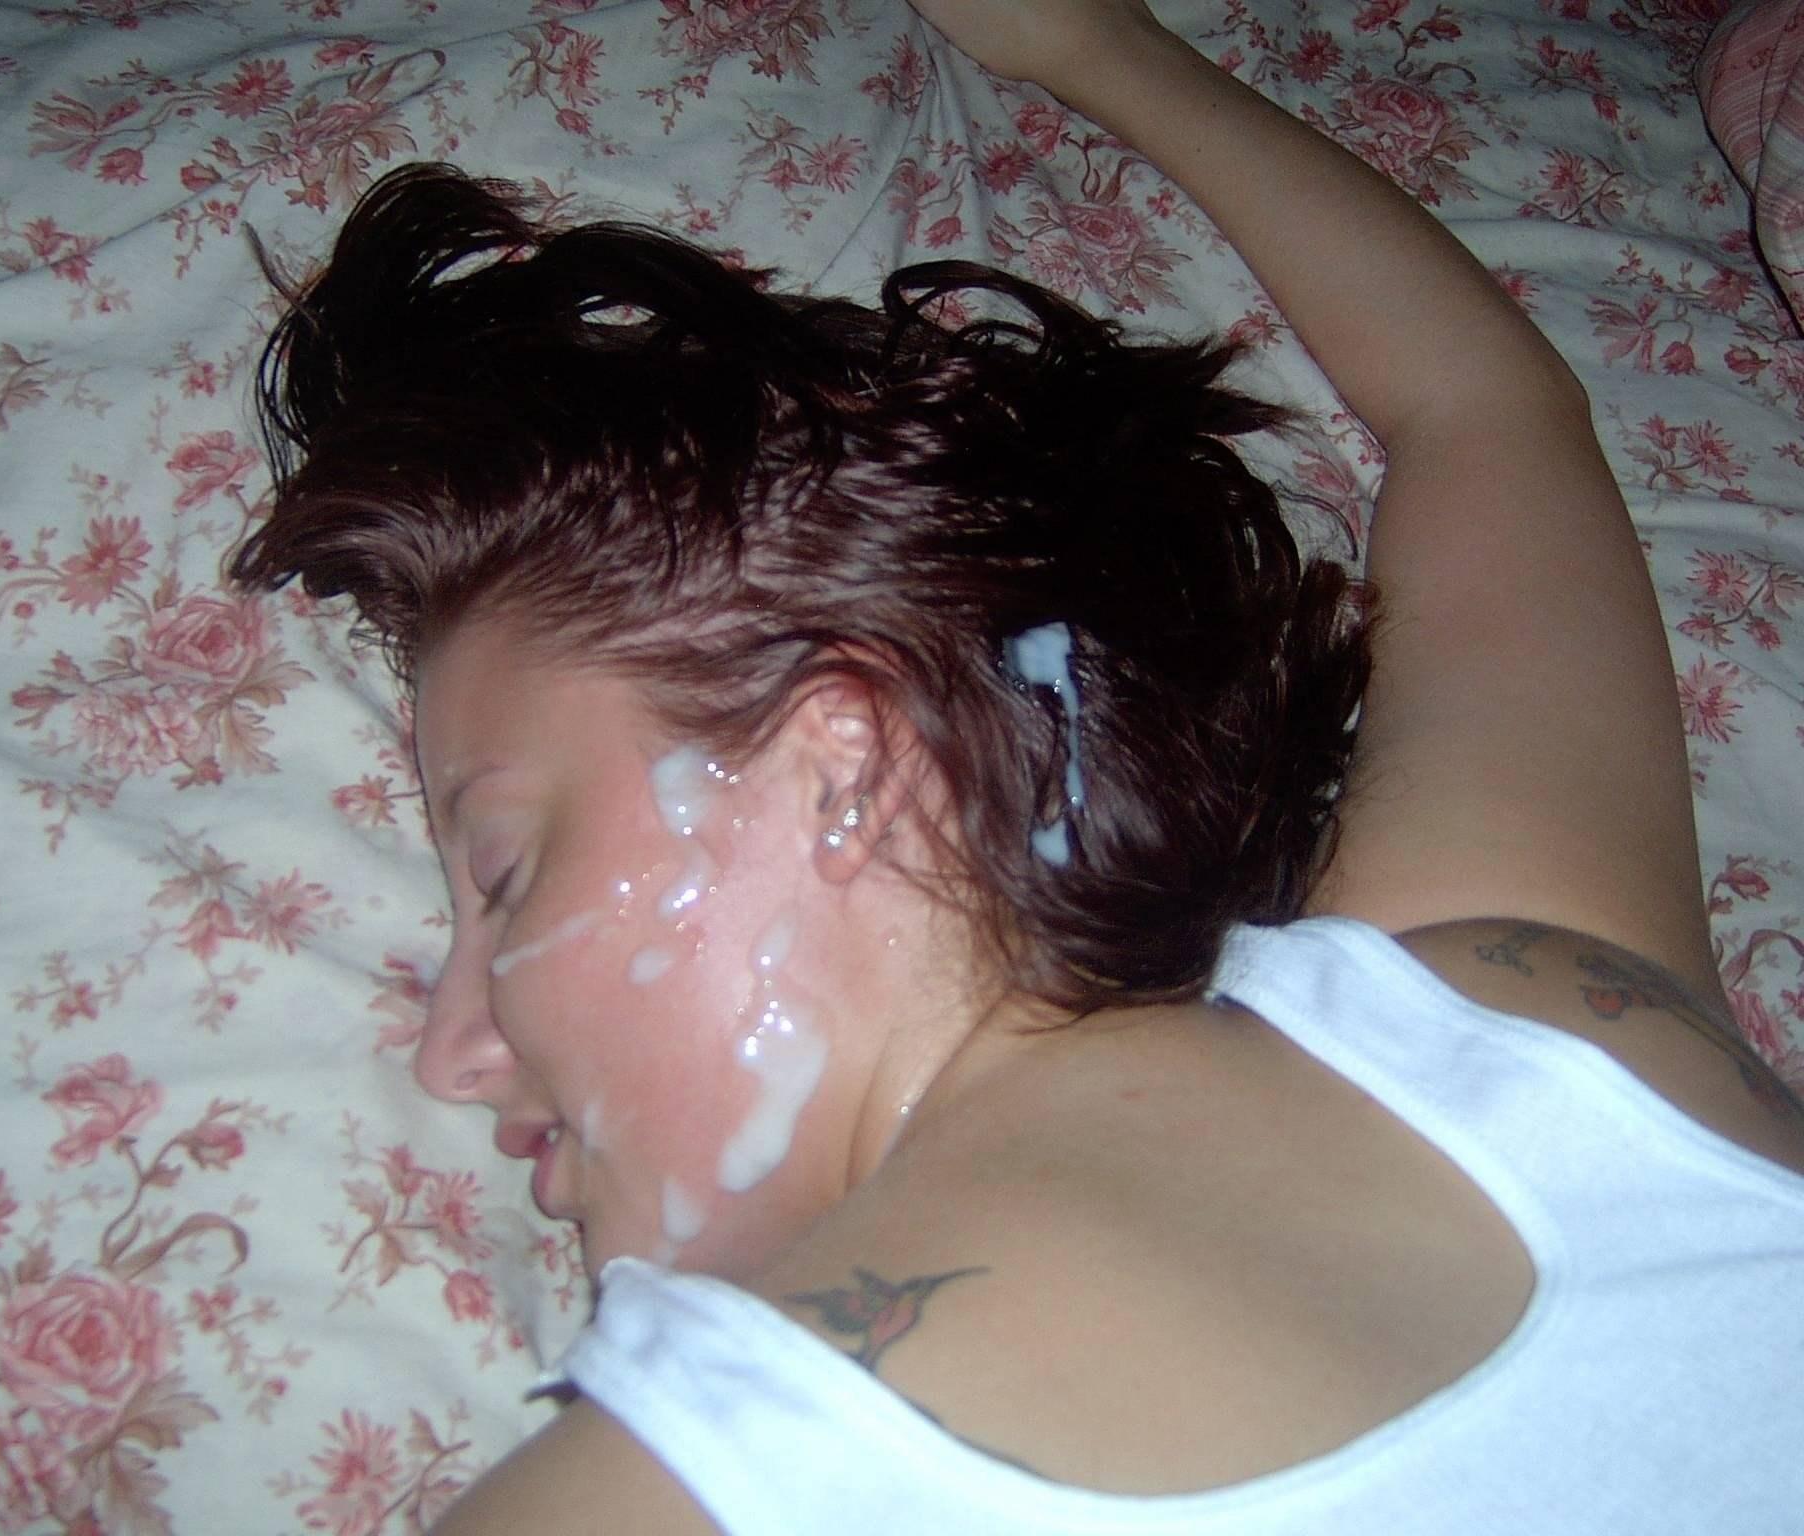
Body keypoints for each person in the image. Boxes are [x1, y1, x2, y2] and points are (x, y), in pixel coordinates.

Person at [228, 0, 1804, 1529]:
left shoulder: (695, 1488)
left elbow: (1482, 423)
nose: (449, 1053)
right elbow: (1490, 416)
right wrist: (1099, 46)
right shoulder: (1536, 1020)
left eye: (506, 874)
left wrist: (1088, 41)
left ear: (843, 766)